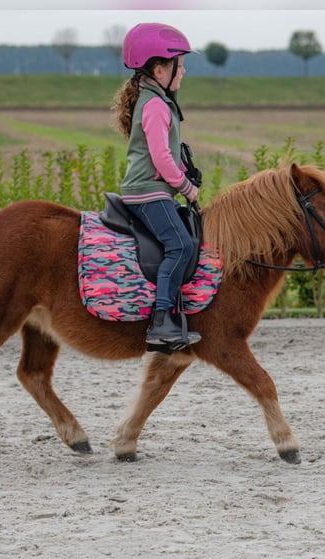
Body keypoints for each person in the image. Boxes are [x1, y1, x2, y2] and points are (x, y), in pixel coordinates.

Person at [112, 22, 201, 348]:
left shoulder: (156, 102)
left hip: (153, 190)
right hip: (146, 193)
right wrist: (186, 188)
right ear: (160, 68)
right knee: (181, 246)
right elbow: (161, 159)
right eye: (180, 64)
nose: (184, 70)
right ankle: (161, 321)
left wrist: (186, 177)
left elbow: (171, 155)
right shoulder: (154, 106)